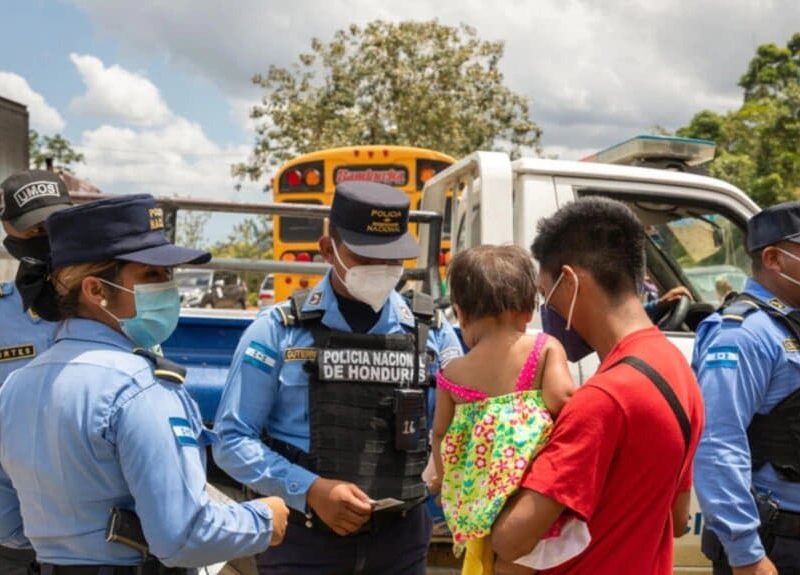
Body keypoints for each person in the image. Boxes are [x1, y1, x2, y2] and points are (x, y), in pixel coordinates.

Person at [0, 194, 289, 573]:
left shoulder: (15, 386)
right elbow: (183, 537)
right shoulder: (141, 388)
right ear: (96, 290)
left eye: (168, 274)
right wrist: (264, 519)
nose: (168, 287)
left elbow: (7, 522)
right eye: (152, 275)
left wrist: (75, 542)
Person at [213, 181, 464, 575]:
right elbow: (231, 440)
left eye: (392, 258)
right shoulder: (277, 332)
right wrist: (309, 489)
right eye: (365, 257)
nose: (380, 268)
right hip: (303, 543)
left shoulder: (433, 332)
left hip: (399, 544)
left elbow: (458, 427)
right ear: (328, 249)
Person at [490, 197, 704, 575]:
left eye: (546, 294)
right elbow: (678, 517)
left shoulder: (602, 400)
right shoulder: (679, 371)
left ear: (571, 282)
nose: (547, 310)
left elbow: (511, 540)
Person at [428, 245, 580, 573]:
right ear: (527, 310)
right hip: (529, 498)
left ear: (461, 314)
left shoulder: (452, 374)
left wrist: (444, 482)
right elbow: (563, 399)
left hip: (479, 502)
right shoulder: (543, 348)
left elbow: (440, 433)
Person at [693, 202, 800, 575]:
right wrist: (747, 555)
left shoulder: (790, 324)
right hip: (775, 544)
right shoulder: (744, 334)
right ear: (773, 259)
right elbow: (717, 443)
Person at [0, 169, 73, 574]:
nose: (46, 236)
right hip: (13, 536)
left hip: (96, 537)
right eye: (33, 228)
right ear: (9, 231)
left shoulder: (106, 303)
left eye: (55, 224)